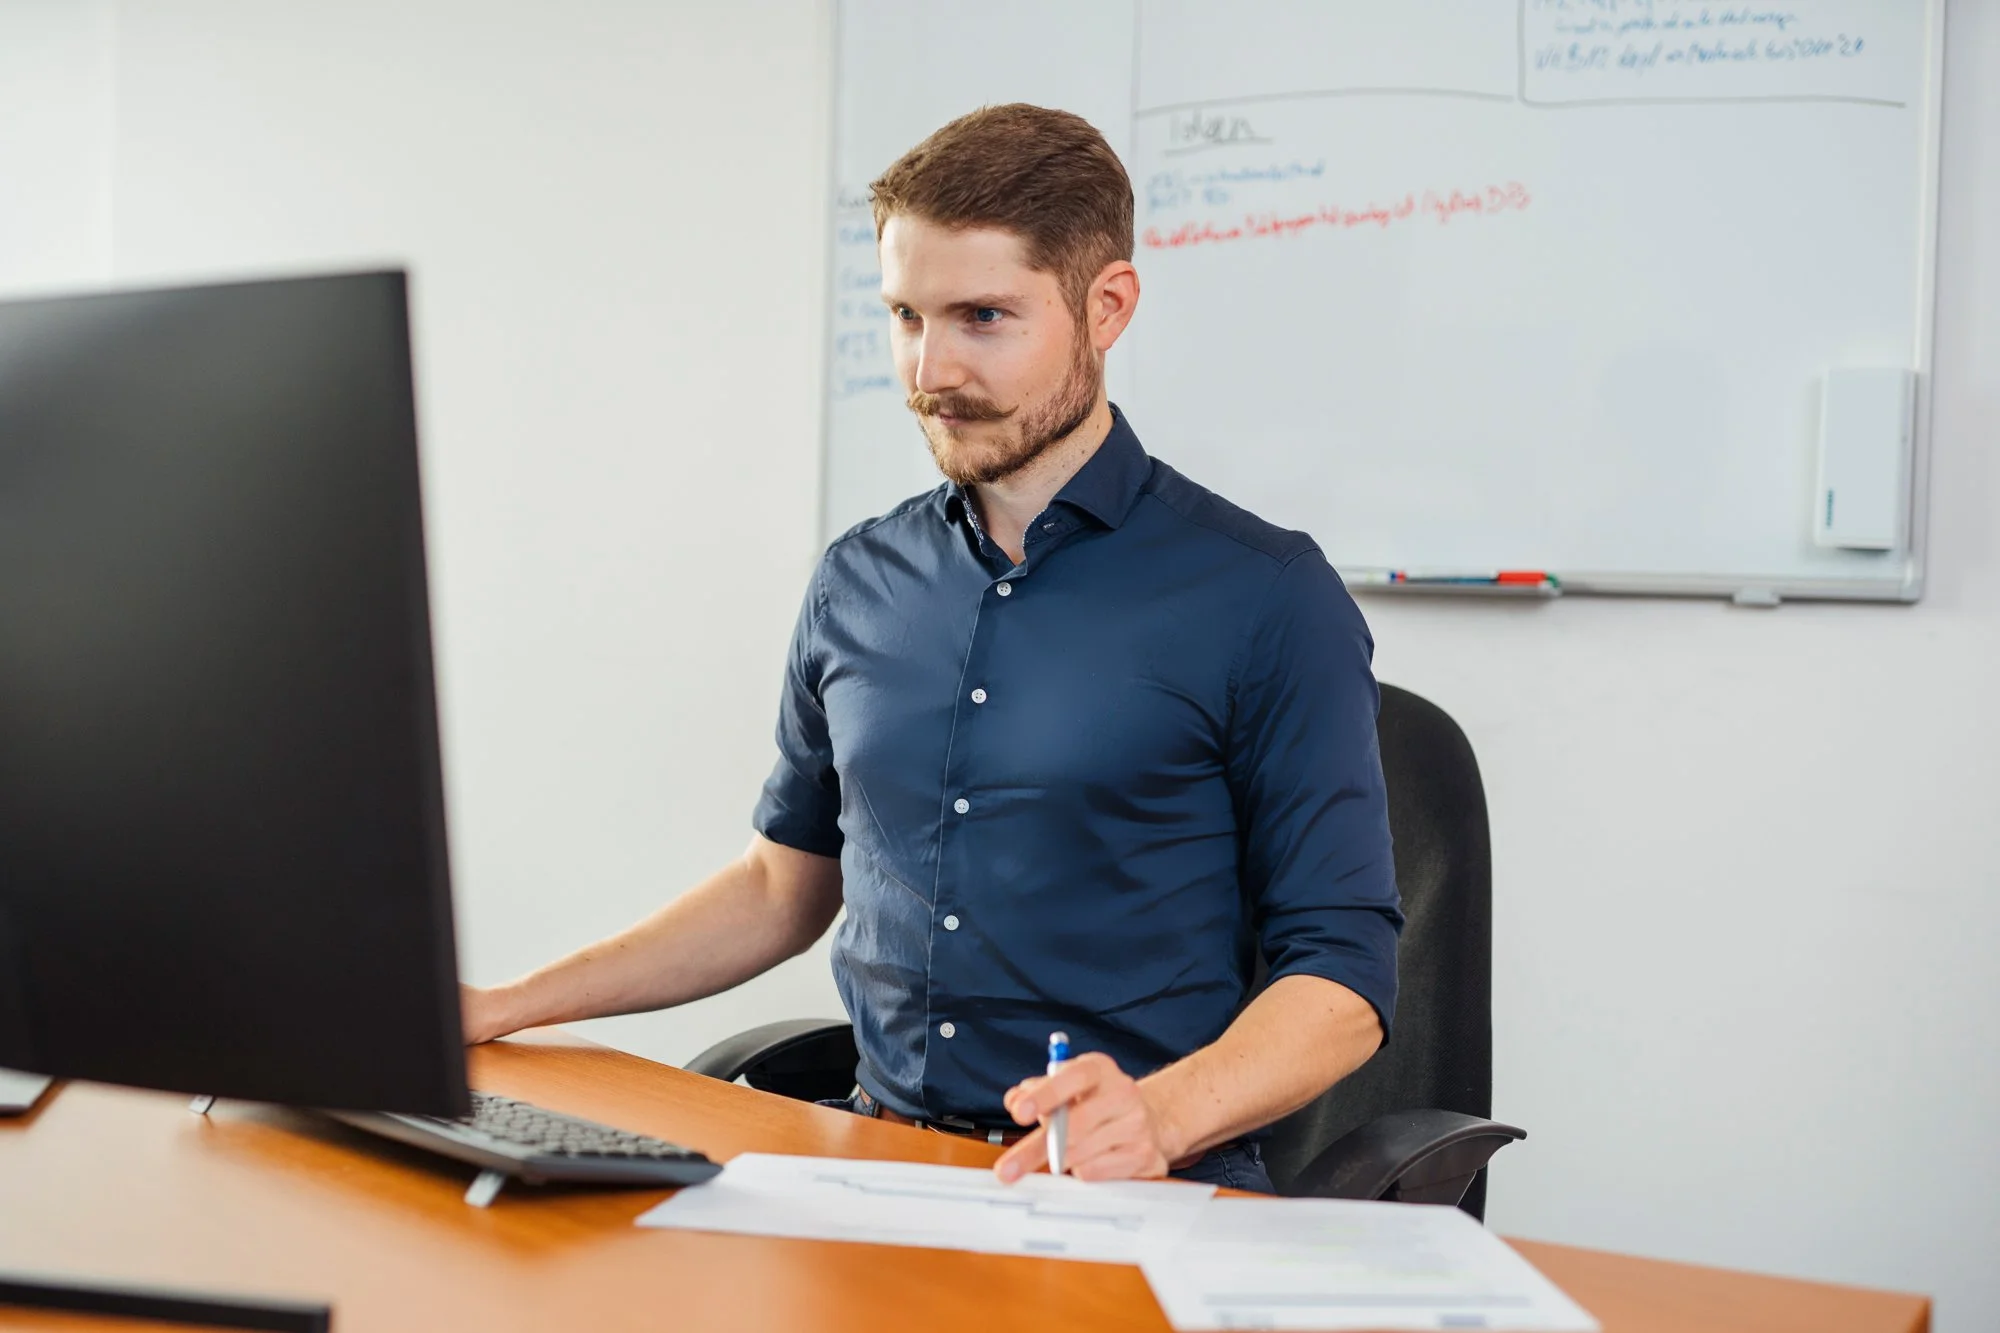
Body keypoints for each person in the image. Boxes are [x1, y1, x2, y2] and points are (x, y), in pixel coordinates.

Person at [461, 103, 1402, 1194]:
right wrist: (504, 1003)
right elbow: (781, 886)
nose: (930, 369)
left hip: (1133, 1189)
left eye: (982, 317)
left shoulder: (1263, 594)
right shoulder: (857, 581)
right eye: (906, 316)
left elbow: (1342, 976)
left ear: (1107, 307)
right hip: (873, 1166)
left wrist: (1156, 1114)